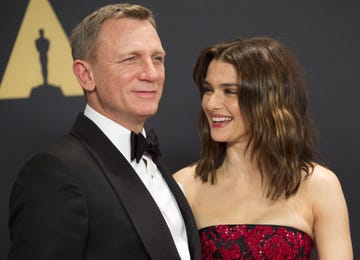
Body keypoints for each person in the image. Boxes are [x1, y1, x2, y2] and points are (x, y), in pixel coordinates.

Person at [8, 3, 200, 259]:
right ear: (86, 75)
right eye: (131, 59)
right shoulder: (56, 174)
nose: (151, 73)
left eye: (157, 59)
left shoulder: (154, 162)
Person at [174, 37, 353, 259]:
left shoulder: (319, 185)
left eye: (229, 91)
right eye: (208, 90)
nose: (210, 104)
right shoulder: (186, 185)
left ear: (269, 99)